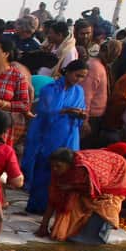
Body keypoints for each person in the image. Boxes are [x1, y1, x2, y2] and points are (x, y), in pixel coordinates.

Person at [22, 60, 88, 214]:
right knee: (46, 167)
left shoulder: (79, 91)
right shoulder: (50, 89)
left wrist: (81, 114)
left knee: (67, 169)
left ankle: (61, 207)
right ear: (69, 72)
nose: (79, 80)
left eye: (83, 77)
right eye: (77, 75)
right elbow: (45, 111)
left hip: (70, 134)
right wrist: (65, 111)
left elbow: (82, 108)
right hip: (48, 135)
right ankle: (39, 206)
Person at [37, 147, 126, 243]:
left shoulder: (83, 169)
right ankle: (72, 230)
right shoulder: (57, 172)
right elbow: (53, 197)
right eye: (52, 166)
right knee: (70, 197)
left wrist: (72, 187)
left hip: (115, 173)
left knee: (105, 204)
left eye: (58, 166)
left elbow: (95, 190)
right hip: (85, 183)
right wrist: (43, 225)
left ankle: (95, 234)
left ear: (69, 165)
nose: (54, 169)